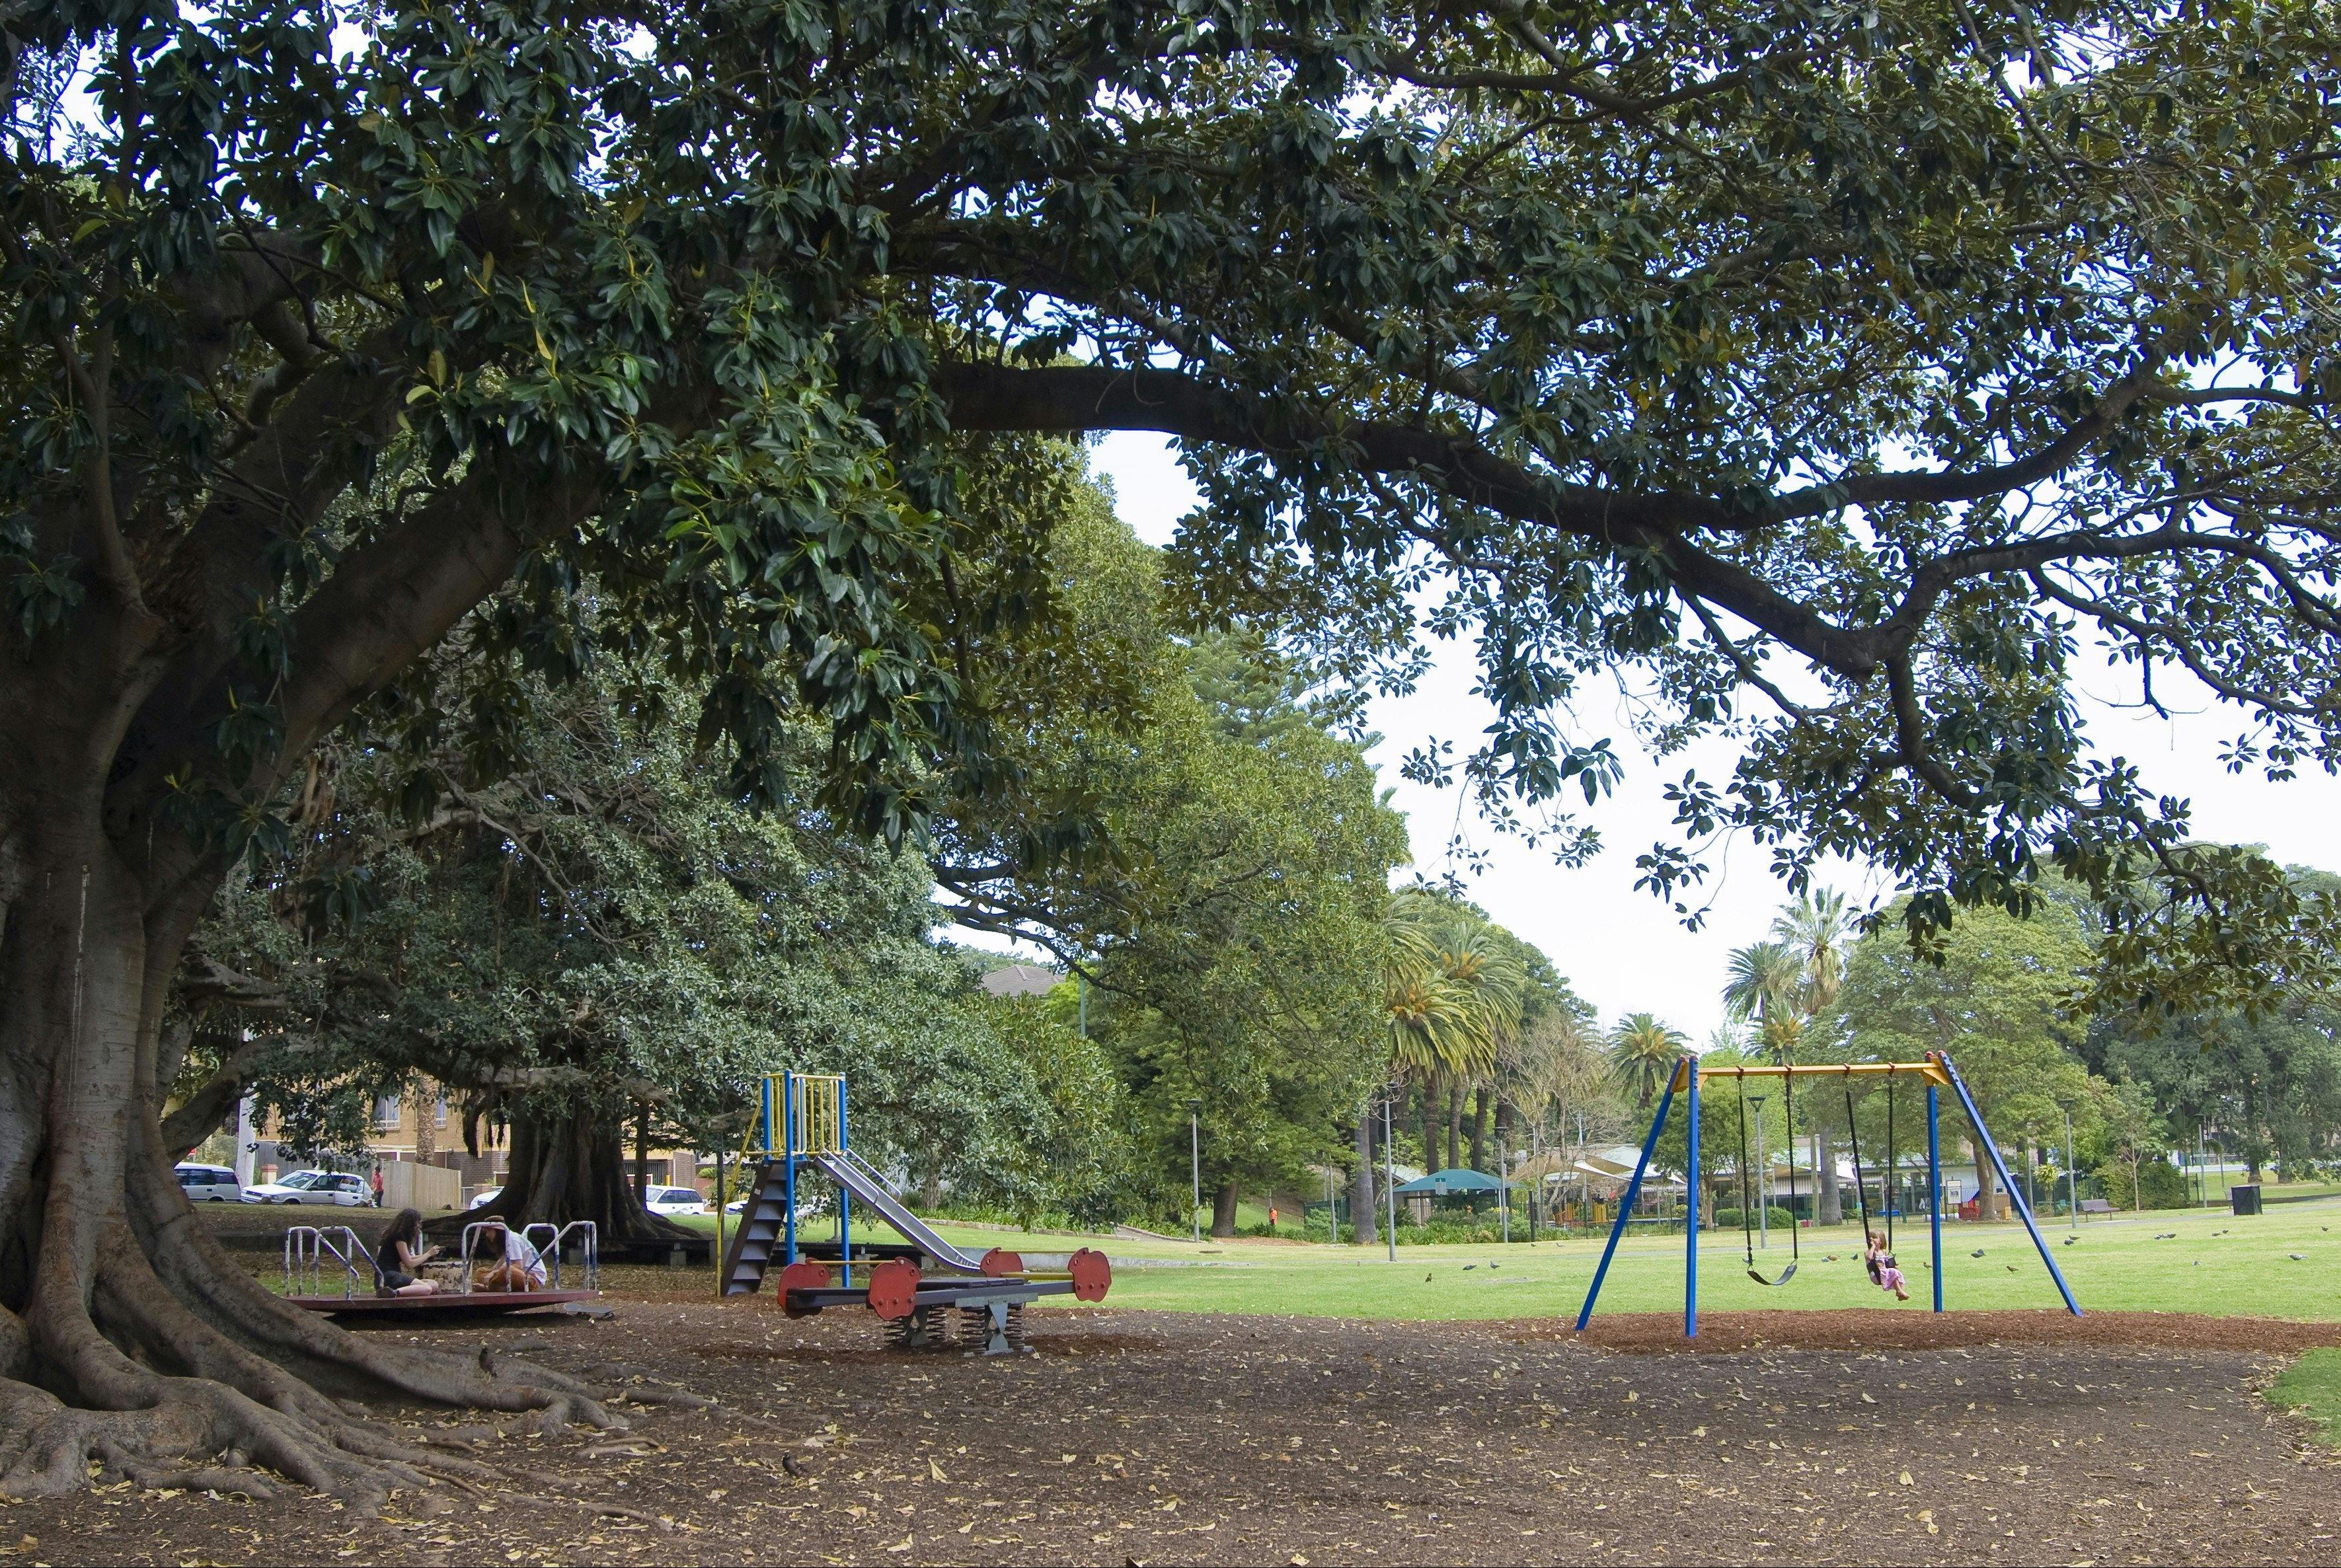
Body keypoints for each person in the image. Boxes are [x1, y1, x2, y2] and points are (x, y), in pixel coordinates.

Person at [375, 1208, 442, 1297]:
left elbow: (407, 1257)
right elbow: (409, 1264)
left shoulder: (397, 1235)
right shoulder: (399, 1237)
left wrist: (428, 1255)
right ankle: (393, 1292)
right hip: (388, 1276)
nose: (419, 1225)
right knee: (427, 1289)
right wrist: (428, 1254)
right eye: (418, 1222)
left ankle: (393, 1291)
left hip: (393, 1276)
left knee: (434, 1284)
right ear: (412, 1223)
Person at [470, 1222, 549, 1292]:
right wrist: (492, 1272)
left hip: (532, 1280)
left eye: (489, 1231)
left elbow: (518, 1265)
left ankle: (492, 1288)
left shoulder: (512, 1239)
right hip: (520, 1276)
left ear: (498, 1231)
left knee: (505, 1269)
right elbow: (502, 1260)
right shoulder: (506, 1240)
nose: (487, 1235)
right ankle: (497, 1287)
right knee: (480, 1272)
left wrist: (494, 1273)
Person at [1864, 1230, 1910, 1302]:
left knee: (1895, 1273)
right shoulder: (1869, 1252)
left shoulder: (1883, 1251)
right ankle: (1899, 1291)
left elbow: (1886, 1264)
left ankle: (1899, 1292)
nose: (1872, 1239)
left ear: (1881, 1241)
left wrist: (1893, 1266)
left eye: (1875, 1237)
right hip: (1876, 1276)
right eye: (1871, 1238)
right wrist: (1873, 1247)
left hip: (1884, 1273)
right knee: (1892, 1272)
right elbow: (1869, 1258)